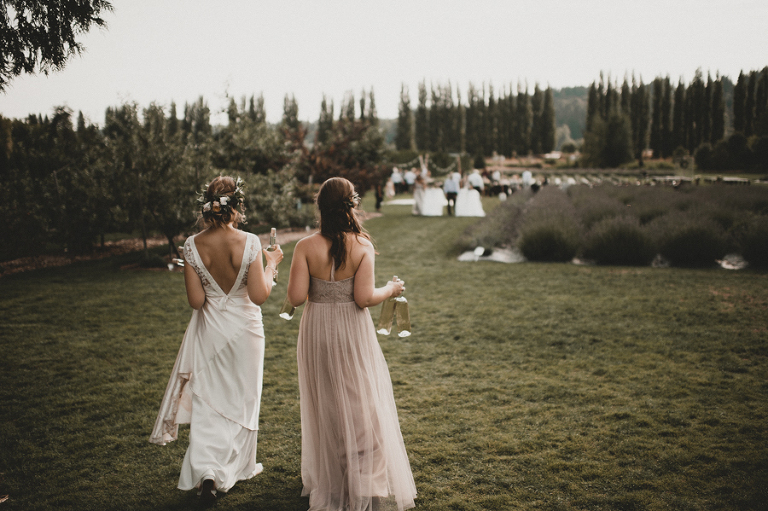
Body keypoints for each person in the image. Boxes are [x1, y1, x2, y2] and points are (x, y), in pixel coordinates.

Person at [150, 176, 283, 505]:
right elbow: (258, 295)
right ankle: (236, 467)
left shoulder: (192, 246)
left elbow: (196, 302)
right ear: (237, 206)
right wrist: (272, 266)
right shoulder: (250, 242)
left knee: (210, 402)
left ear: (207, 206)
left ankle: (208, 472)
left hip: (210, 331)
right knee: (243, 399)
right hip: (246, 331)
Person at [286, 177, 417, 511]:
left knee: (327, 401)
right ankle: (363, 479)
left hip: (316, 331)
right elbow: (363, 298)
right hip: (351, 332)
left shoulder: (304, 246)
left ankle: (335, 476)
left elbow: (296, 298)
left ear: (320, 207)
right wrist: (391, 289)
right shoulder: (362, 245)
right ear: (352, 205)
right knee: (362, 401)